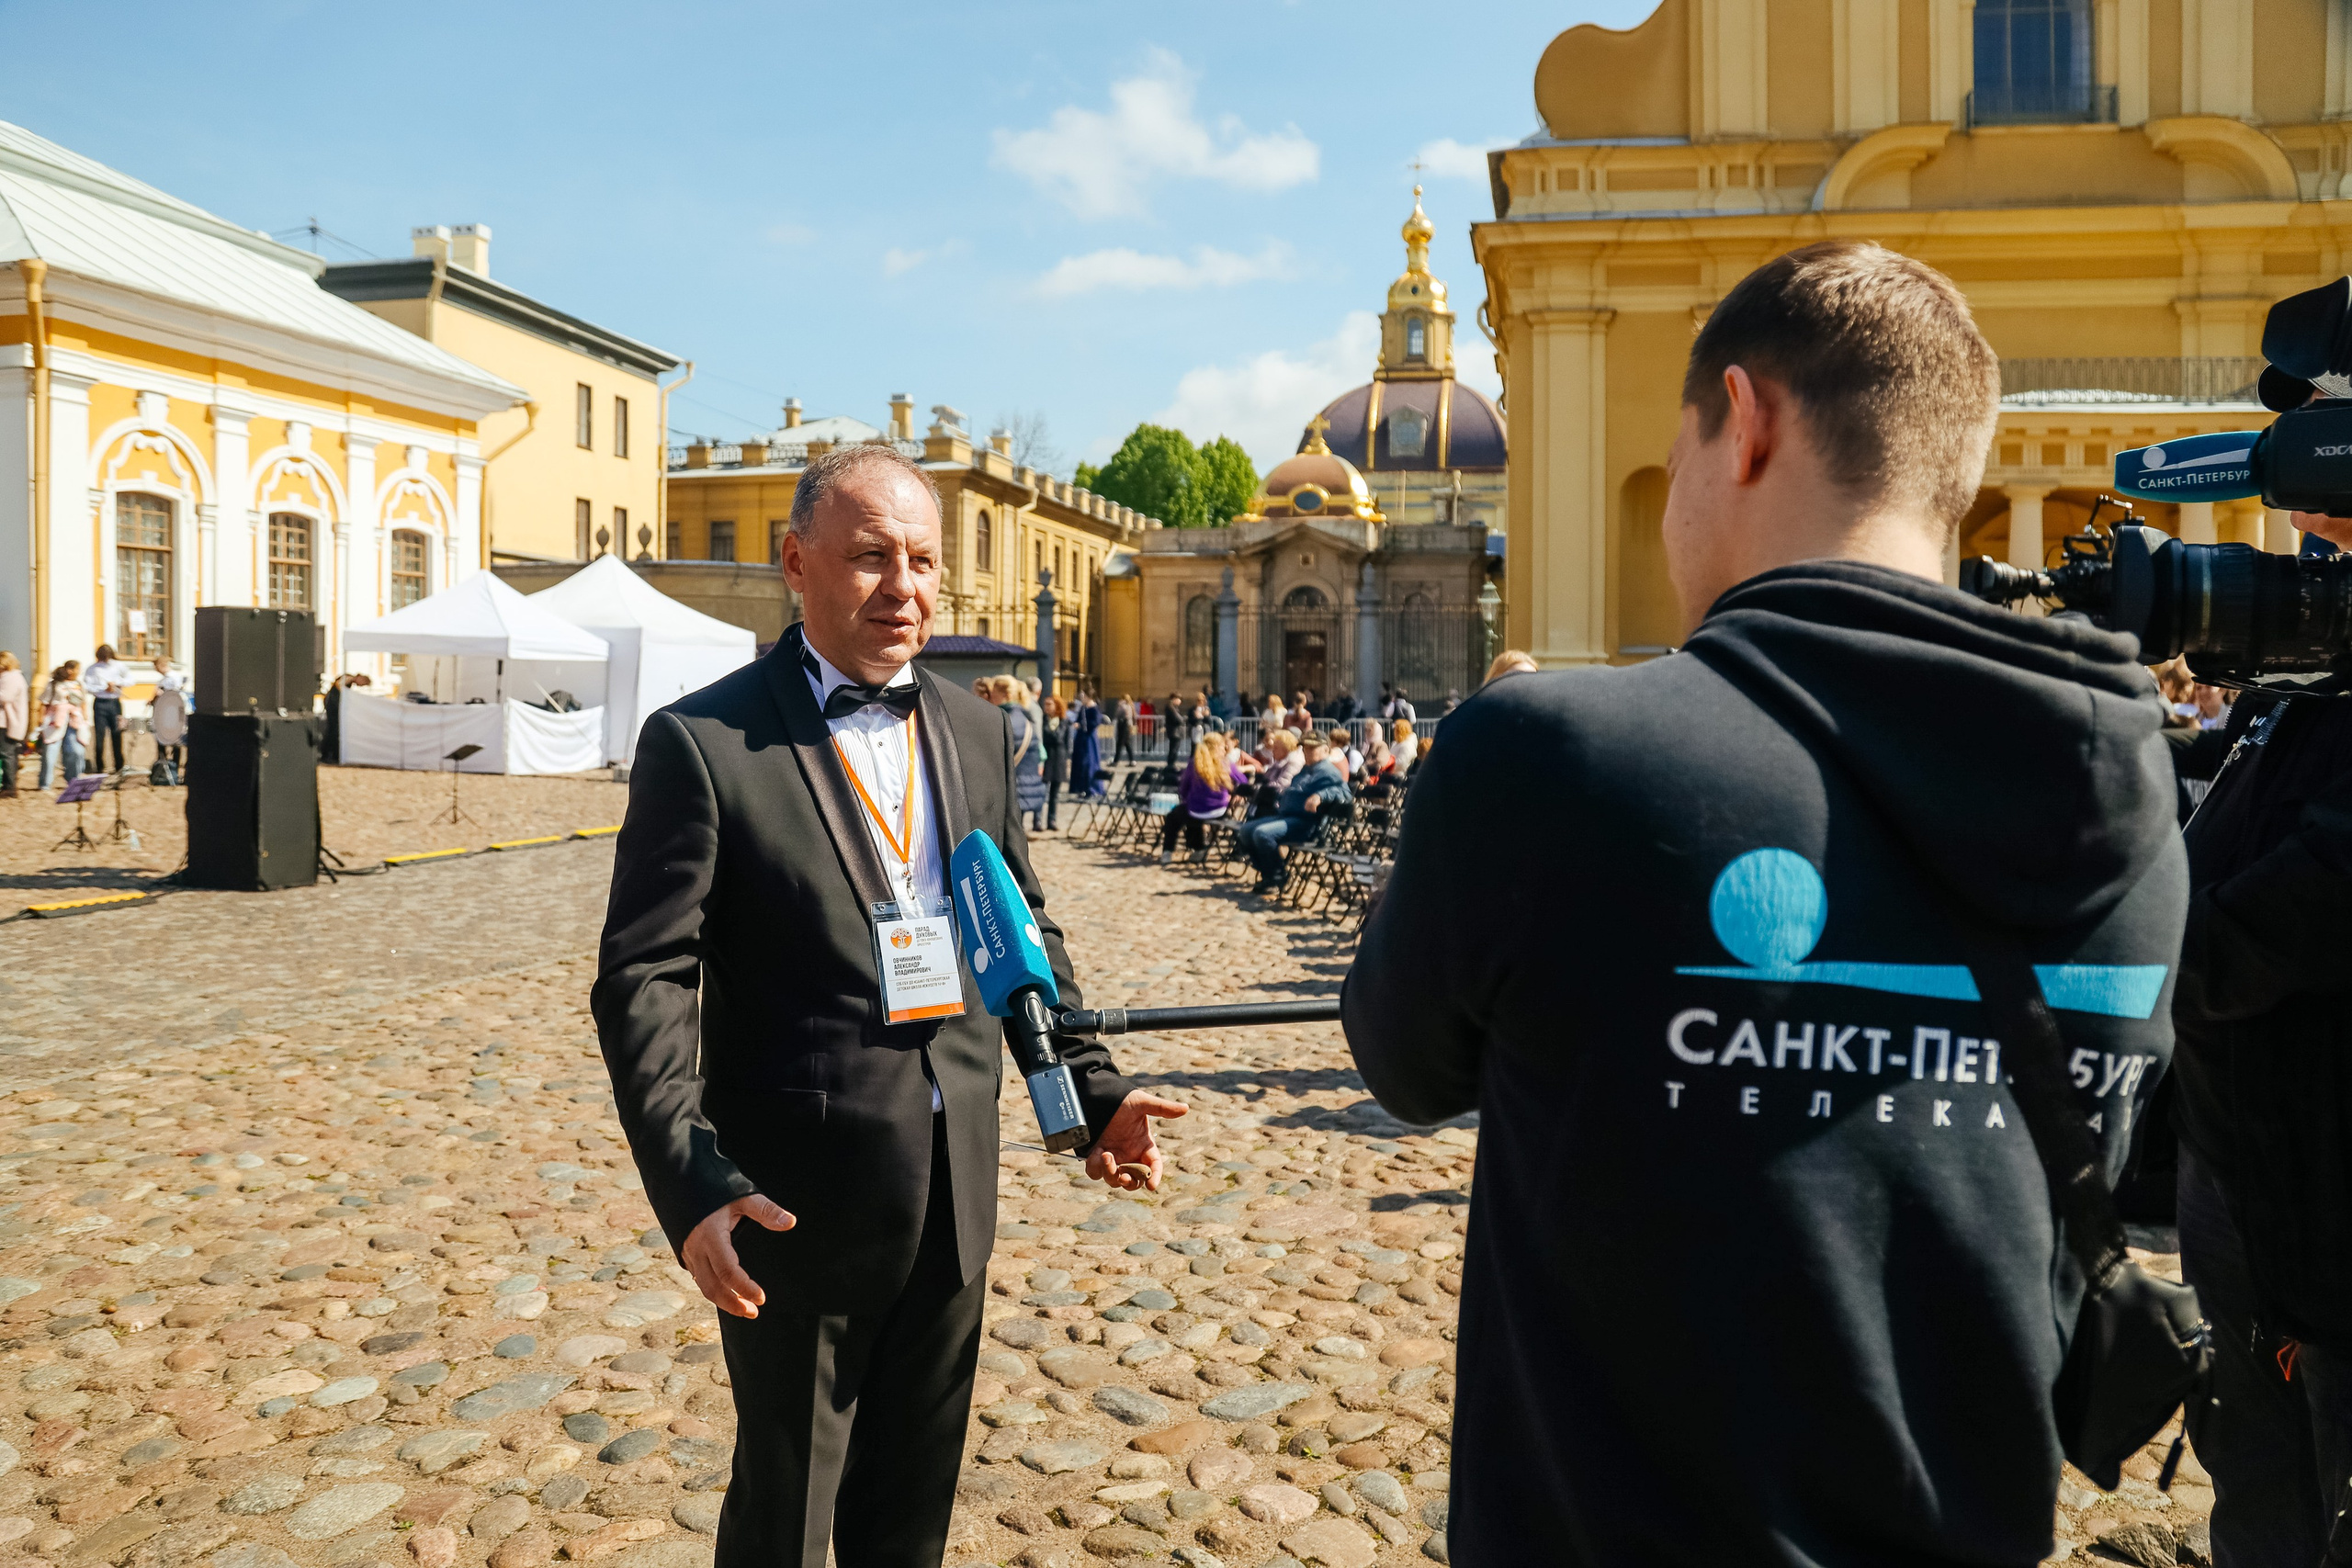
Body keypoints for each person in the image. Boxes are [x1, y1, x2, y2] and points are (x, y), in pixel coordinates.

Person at [1341, 241, 2187, 1566]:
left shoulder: (1547, 752)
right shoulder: (2140, 806)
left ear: (1744, 424)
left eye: (1673, 463)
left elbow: (1403, 1061)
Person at [593, 443, 1183, 1568]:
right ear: (796, 563)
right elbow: (644, 978)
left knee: (909, 1517)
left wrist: (1091, 1089)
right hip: (790, 1204)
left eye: (919, 560)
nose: (901, 587)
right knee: (785, 1515)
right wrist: (688, 1181)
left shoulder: (976, 729)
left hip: (957, 1187)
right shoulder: (704, 743)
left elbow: (1020, 930)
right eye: (869, 558)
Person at [2164, 516, 2352, 1564]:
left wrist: (2105, 934)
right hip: (2233, 1161)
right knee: (2255, 1493)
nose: (2309, 533)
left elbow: (2256, 936)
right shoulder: (2303, 690)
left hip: (2323, 1188)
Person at [1231, 730, 1349, 894]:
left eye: (1312, 748)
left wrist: (1320, 795)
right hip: (1286, 816)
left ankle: (1278, 875)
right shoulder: (1306, 770)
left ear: (1326, 751)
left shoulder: (1328, 771)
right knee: (1245, 830)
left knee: (1262, 833)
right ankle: (1268, 873)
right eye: (1305, 748)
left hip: (1305, 824)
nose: (1307, 752)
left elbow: (1346, 793)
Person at [1159, 732, 1245, 864]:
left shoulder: (1195, 763)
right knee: (1191, 813)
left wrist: (1187, 799)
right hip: (1219, 810)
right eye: (1223, 747)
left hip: (1195, 810)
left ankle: (1168, 852)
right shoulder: (1226, 764)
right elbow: (1243, 781)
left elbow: (1183, 787)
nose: (1225, 749)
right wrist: (1236, 793)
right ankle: (1199, 850)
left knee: (1174, 817)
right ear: (1217, 747)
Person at [995, 675, 1046, 833]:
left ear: (1005, 694)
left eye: (994, 692)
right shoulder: (1024, 716)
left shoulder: (1003, 718)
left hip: (1014, 778)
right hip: (1026, 774)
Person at [84, 644, 129, 774]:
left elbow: (130, 680)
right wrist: (103, 688)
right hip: (100, 702)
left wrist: (117, 683)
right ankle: (99, 766)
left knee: (117, 735)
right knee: (99, 736)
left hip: (115, 703)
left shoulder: (119, 666)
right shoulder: (92, 669)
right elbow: (87, 686)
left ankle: (119, 766)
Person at [150, 658, 188, 778]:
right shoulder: (164, 679)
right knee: (162, 739)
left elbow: (175, 694)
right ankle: (163, 766)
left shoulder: (173, 677)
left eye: (156, 666)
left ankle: (173, 767)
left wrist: (162, 694)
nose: (155, 669)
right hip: (164, 713)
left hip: (172, 713)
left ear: (161, 665)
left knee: (174, 739)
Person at [1069, 687, 1104, 799]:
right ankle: (1080, 787)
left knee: (1089, 762)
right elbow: (1079, 719)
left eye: (1084, 696)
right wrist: (1077, 723)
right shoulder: (1083, 708)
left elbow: (1095, 722)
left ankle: (1091, 788)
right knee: (1080, 762)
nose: (1082, 698)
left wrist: (1082, 725)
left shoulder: (1094, 709)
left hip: (1089, 739)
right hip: (1081, 738)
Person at [1039, 693, 1068, 832]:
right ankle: (1037, 821)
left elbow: (1060, 738)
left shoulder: (1063, 721)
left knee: (1054, 794)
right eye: (1045, 704)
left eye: (1050, 704)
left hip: (1058, 760)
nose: (1047, 707)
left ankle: (1052, 819)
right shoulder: (1042, 720)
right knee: (1041, 791)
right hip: (1046, 758)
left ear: (1057, 706)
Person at [0, 652, 25, 798]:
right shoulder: (9, 677)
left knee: (7, 754)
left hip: (6, 722)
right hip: (6, 720)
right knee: (9, 754)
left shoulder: (12, 678)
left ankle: (10, 787)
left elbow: (6, 697)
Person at [1113, 693, 1136, 765]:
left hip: (1123, 725)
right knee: (1126, 743)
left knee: (1120, 744)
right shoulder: (1130, 706)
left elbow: (1117, 714)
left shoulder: (1122, 706)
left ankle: (1116, 761)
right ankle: (1132, 760)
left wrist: (1119, 705)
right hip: (1128, 725)